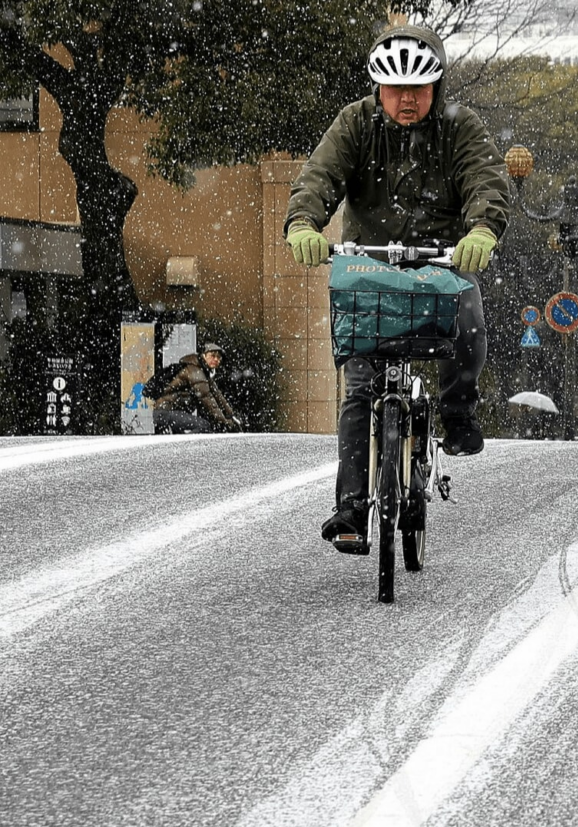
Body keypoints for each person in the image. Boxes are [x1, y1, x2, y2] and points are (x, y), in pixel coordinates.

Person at [284, 23, 510, 548]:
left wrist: (481, 228)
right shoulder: (354, 124)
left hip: (443, 260)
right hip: (370, 264)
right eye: (394, 89)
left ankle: (456, 411)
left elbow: (486, 180)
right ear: (377, 88)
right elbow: (318, 177)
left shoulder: (460, 128)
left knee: (468, 318)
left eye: (418, 89)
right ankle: (349, 508)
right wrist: (303, 224)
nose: (406, 100)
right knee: (360, 384)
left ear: (438, 86)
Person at [152, 343, 241, 433]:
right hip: (166, 412)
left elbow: (217, 395)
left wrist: (231, 415)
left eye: (218, 357)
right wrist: (224, 421)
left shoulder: (203, 372)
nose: (216, 359)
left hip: (171, 412)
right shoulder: (195, 372)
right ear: (204, 355)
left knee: (181, 440)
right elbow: (207, 398)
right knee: (204, 426)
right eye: (212, 356)